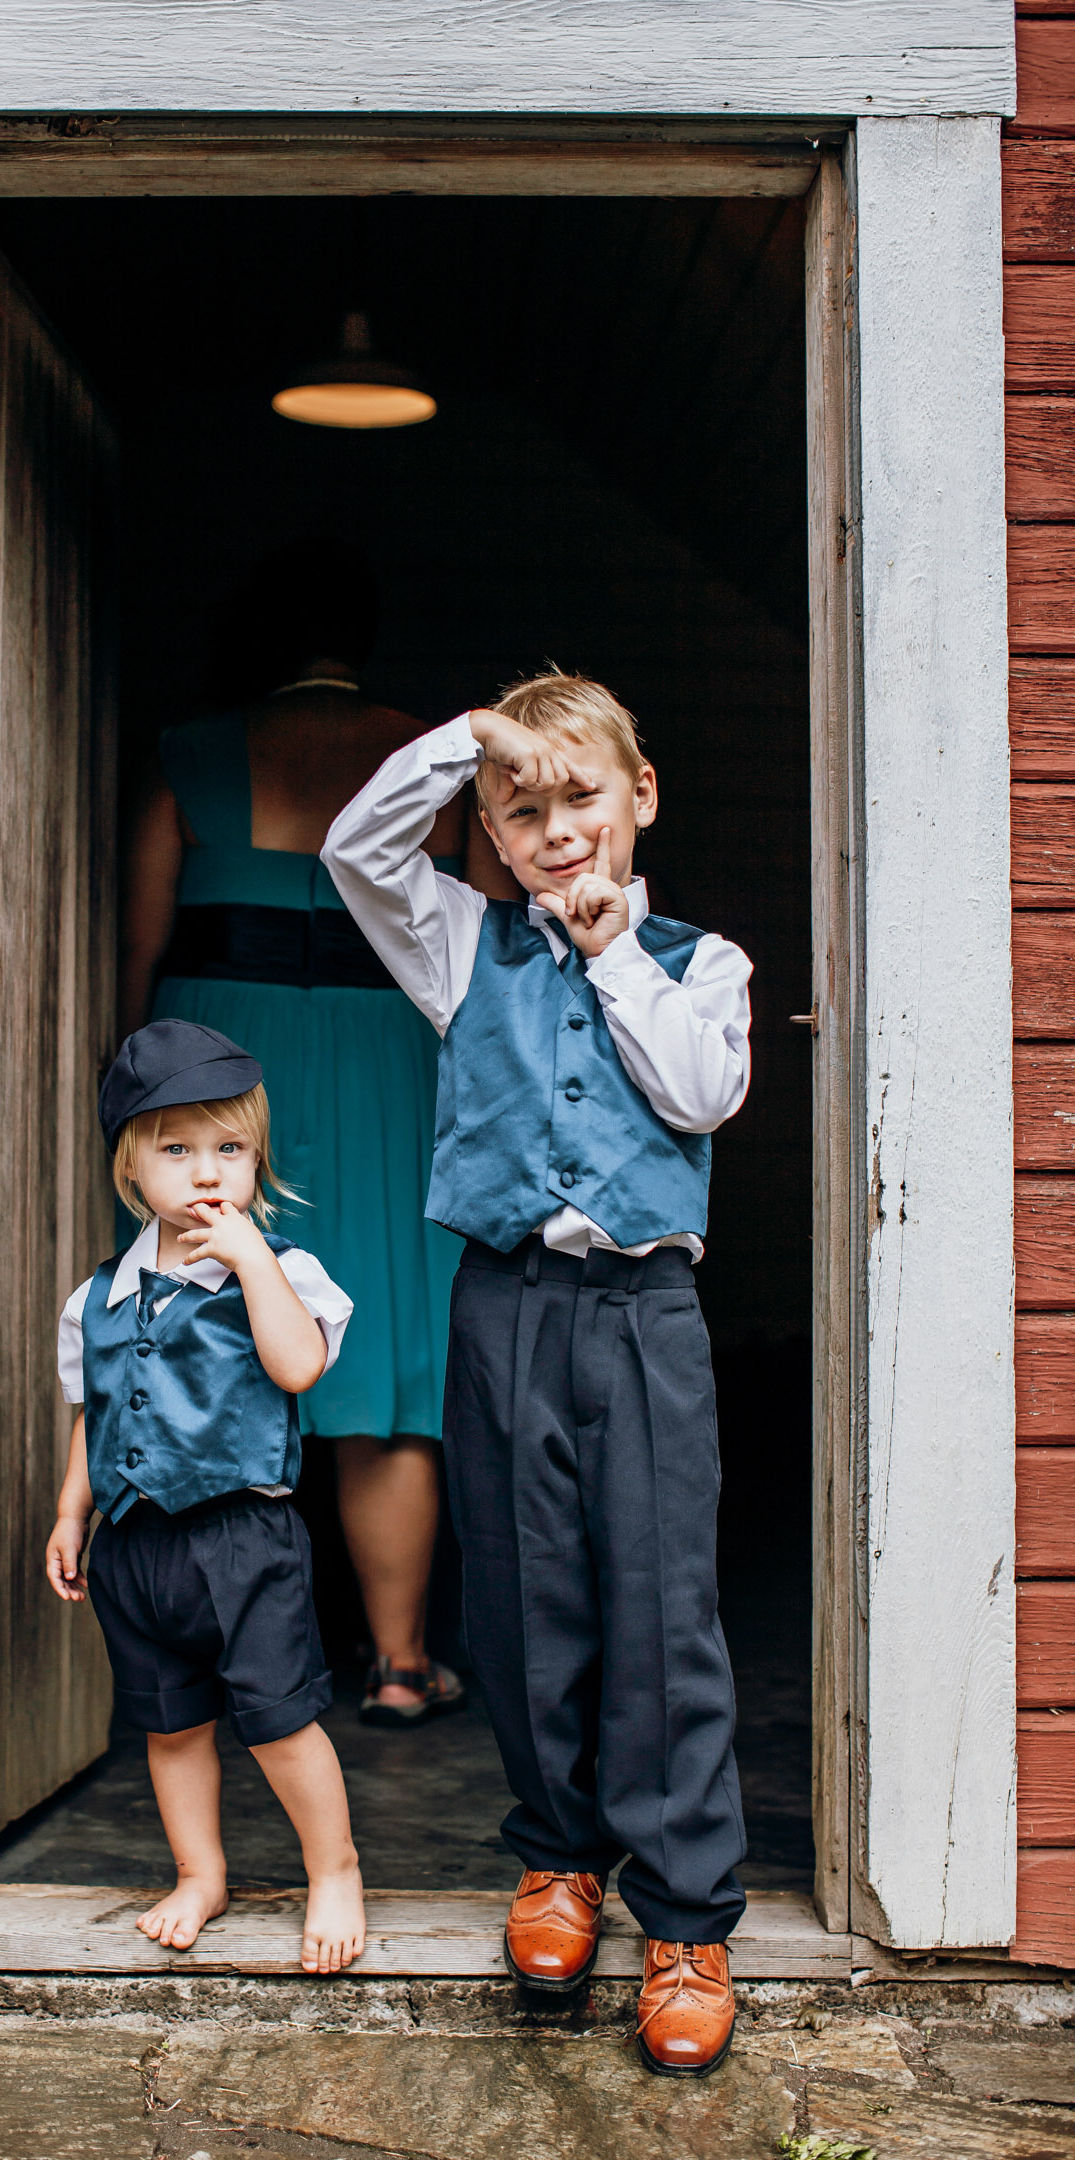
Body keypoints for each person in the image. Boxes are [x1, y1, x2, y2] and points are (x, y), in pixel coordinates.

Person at [321, 673, 752, 2072]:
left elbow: (697, 1095)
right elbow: (355, 852)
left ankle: (686, 1918)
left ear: (641, 797)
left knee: (660, 1603)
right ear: (491, 833)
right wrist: (465, 743)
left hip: (643, 1313)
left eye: (582, 798)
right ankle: (559, 1855)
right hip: (504, 1302)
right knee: (517, 1593)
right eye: (524, 811)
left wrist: (615, 950)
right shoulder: (459, 948)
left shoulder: (704, 962)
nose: (556, 829)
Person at [120, 539, 510, 1724]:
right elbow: (488, 943)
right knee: (388, 1357)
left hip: (220, 1067)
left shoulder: (189, 757)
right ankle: (398, 1662)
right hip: (391, 1058)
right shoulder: (432, 764)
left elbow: (139, 949)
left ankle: (201, 1659)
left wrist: (122, 1087)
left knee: (205, 1330)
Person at [46, 1019, 365, 1974]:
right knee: (170, 1722)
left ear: (258, 1157)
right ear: (132, 1167)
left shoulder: (283, 1274)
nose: (205, 1172)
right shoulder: (97, 1296)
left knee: (278, 1720)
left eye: (229, 1148)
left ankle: (335, 1868)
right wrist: (74, 1511)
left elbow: (299, 1365)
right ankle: (200, 1872)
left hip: (241, 1538)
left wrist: (252, 1260)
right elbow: (93, 1410)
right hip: (136, 1543)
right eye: (177, 1150)